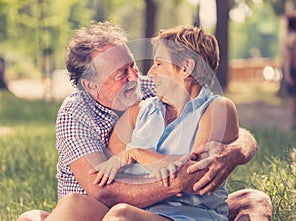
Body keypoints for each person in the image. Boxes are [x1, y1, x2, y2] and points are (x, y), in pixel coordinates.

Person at [18, 21, 272, 221]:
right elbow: (103, 187)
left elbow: (195, 172)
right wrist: (154, 168)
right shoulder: (76, 114)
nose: (138, 76)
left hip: (166, 212)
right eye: (121, 73)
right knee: (55, 211)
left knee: (254, 199)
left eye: (136, 66)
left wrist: (237, 150)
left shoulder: (152, 91)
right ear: (91, 85)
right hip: (100, 208)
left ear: (185, 68)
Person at [284, 12, 296, 132]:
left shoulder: (290, 39)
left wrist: (287, 73)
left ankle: (294, 124)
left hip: (295, 70)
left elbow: (287, 57)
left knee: (294, 99)